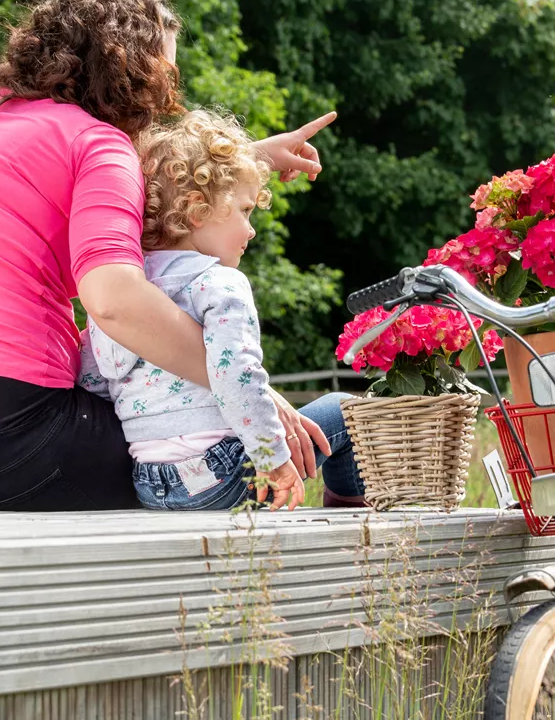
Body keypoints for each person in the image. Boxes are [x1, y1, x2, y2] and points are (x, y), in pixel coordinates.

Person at [0, 0, 341, 511]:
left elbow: (146, 190)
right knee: (318, 420)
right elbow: (114, 302)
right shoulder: (98, 145)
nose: (170, 90)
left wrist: (249, 159)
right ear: (132, 64)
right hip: (2, 437)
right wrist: (254, 395)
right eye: (168, 68)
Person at [78, 109, 363, 511]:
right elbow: (237, 374)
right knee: (344, 410)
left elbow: (91, 378)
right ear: (197, 212)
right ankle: (351, 527)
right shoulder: (219, 283)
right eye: (245, 210)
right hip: (224, 475)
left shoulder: (121, 287)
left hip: (149, 481)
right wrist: (273, 459)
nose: (252, 229)